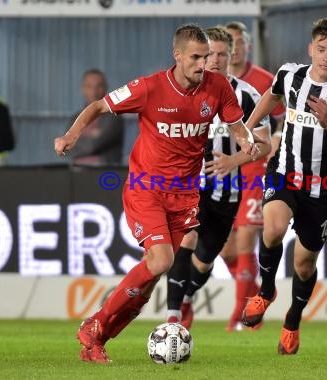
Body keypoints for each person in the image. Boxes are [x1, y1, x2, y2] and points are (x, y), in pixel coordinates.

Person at [53, 24, 265, 364]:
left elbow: (238, 125)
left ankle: (98, 337)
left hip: (185, 195)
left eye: (206, 57)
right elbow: (98, 106)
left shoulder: (219, 86)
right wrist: (70, 137)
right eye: (196, 57)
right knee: (162, 260)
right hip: (146, 189)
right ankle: (93, 327)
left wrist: (245, 141)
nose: (203, 64)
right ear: (177, 56)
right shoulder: (149, 88)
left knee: (152, 276)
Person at [240, 18, 327, 354]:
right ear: (311, 49)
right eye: (322, 49)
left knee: (304, 263)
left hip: (322, 188)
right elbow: (271, 97)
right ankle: (266, 291)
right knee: (272, 229)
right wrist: (246, 129)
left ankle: (292, 321)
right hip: (285, 172)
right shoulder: (290, 74)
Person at [165, 26, 271, 329]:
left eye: (222, 54)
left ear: (231, 56)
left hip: (228, 191)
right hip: (189, 185)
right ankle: (173, 318)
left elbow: (264, 144)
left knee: (207, 257)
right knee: (187, 240)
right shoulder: (181, 89)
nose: (214, 60)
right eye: (209, 54)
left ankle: (186, 298)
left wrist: (233, 160)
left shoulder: (248, 95)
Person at [218, 20, 287, 332]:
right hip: (221, 169)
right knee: (226, 247)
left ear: (245, 46)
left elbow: (286, 117)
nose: (233, 49)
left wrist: (278, 140)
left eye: (238, 43)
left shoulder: (263, 80)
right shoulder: (210, 82)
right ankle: (255, 298)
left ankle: (240, 317)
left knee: (246, 237)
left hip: (255, 167)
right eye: (226, 44)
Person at [69, 69, 124, 165]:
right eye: (89, 86)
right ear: (82, 89)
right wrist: (92, 136)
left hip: (104, 175)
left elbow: (93, 145)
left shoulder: (114, 117)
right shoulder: (75, 118)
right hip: (77, 174)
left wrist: (77, 140)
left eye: (99, 86)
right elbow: (67, 149)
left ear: (106, 88)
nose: (94, 91)